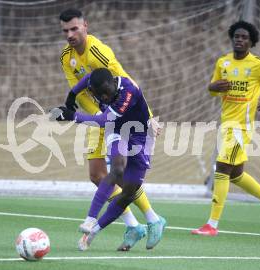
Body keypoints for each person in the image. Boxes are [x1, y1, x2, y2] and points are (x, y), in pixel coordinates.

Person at [59, 8, 162, 250]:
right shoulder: (66, 56)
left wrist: (148, 118)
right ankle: (135, 224)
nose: (70, 34)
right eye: (65, 30)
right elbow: (78, 86)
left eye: (74, 28)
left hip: (116, 118)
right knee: (98, 175)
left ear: (86, 25)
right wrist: (72, 101)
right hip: (100, 116)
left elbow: (126, 84)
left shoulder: (99, 52)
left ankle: (150, 219)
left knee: (119, 176)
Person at [53, 68, 166, 251]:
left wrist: (71, 116)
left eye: (107, 92)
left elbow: (103, 120)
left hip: (140, 136)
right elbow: (89, 77)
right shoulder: (97, 84)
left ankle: (95, 231)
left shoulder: (127, 92)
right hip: (117, 132)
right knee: (117, 170)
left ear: (114, 82)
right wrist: (72, 93)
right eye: (100, 94)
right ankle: (90, 220)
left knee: (128, 193)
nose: (104, 97)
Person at [191, 21, 260, 236]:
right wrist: (211, 87)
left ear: (251, 41)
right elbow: (214, 89)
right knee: (235, 174)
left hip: (242, 128)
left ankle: (212, 225)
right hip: (226, 124)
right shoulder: (222, 62)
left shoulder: (259, 64)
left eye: (244, 37)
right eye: (236, 36)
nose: (240, 40)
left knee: (222, 166)